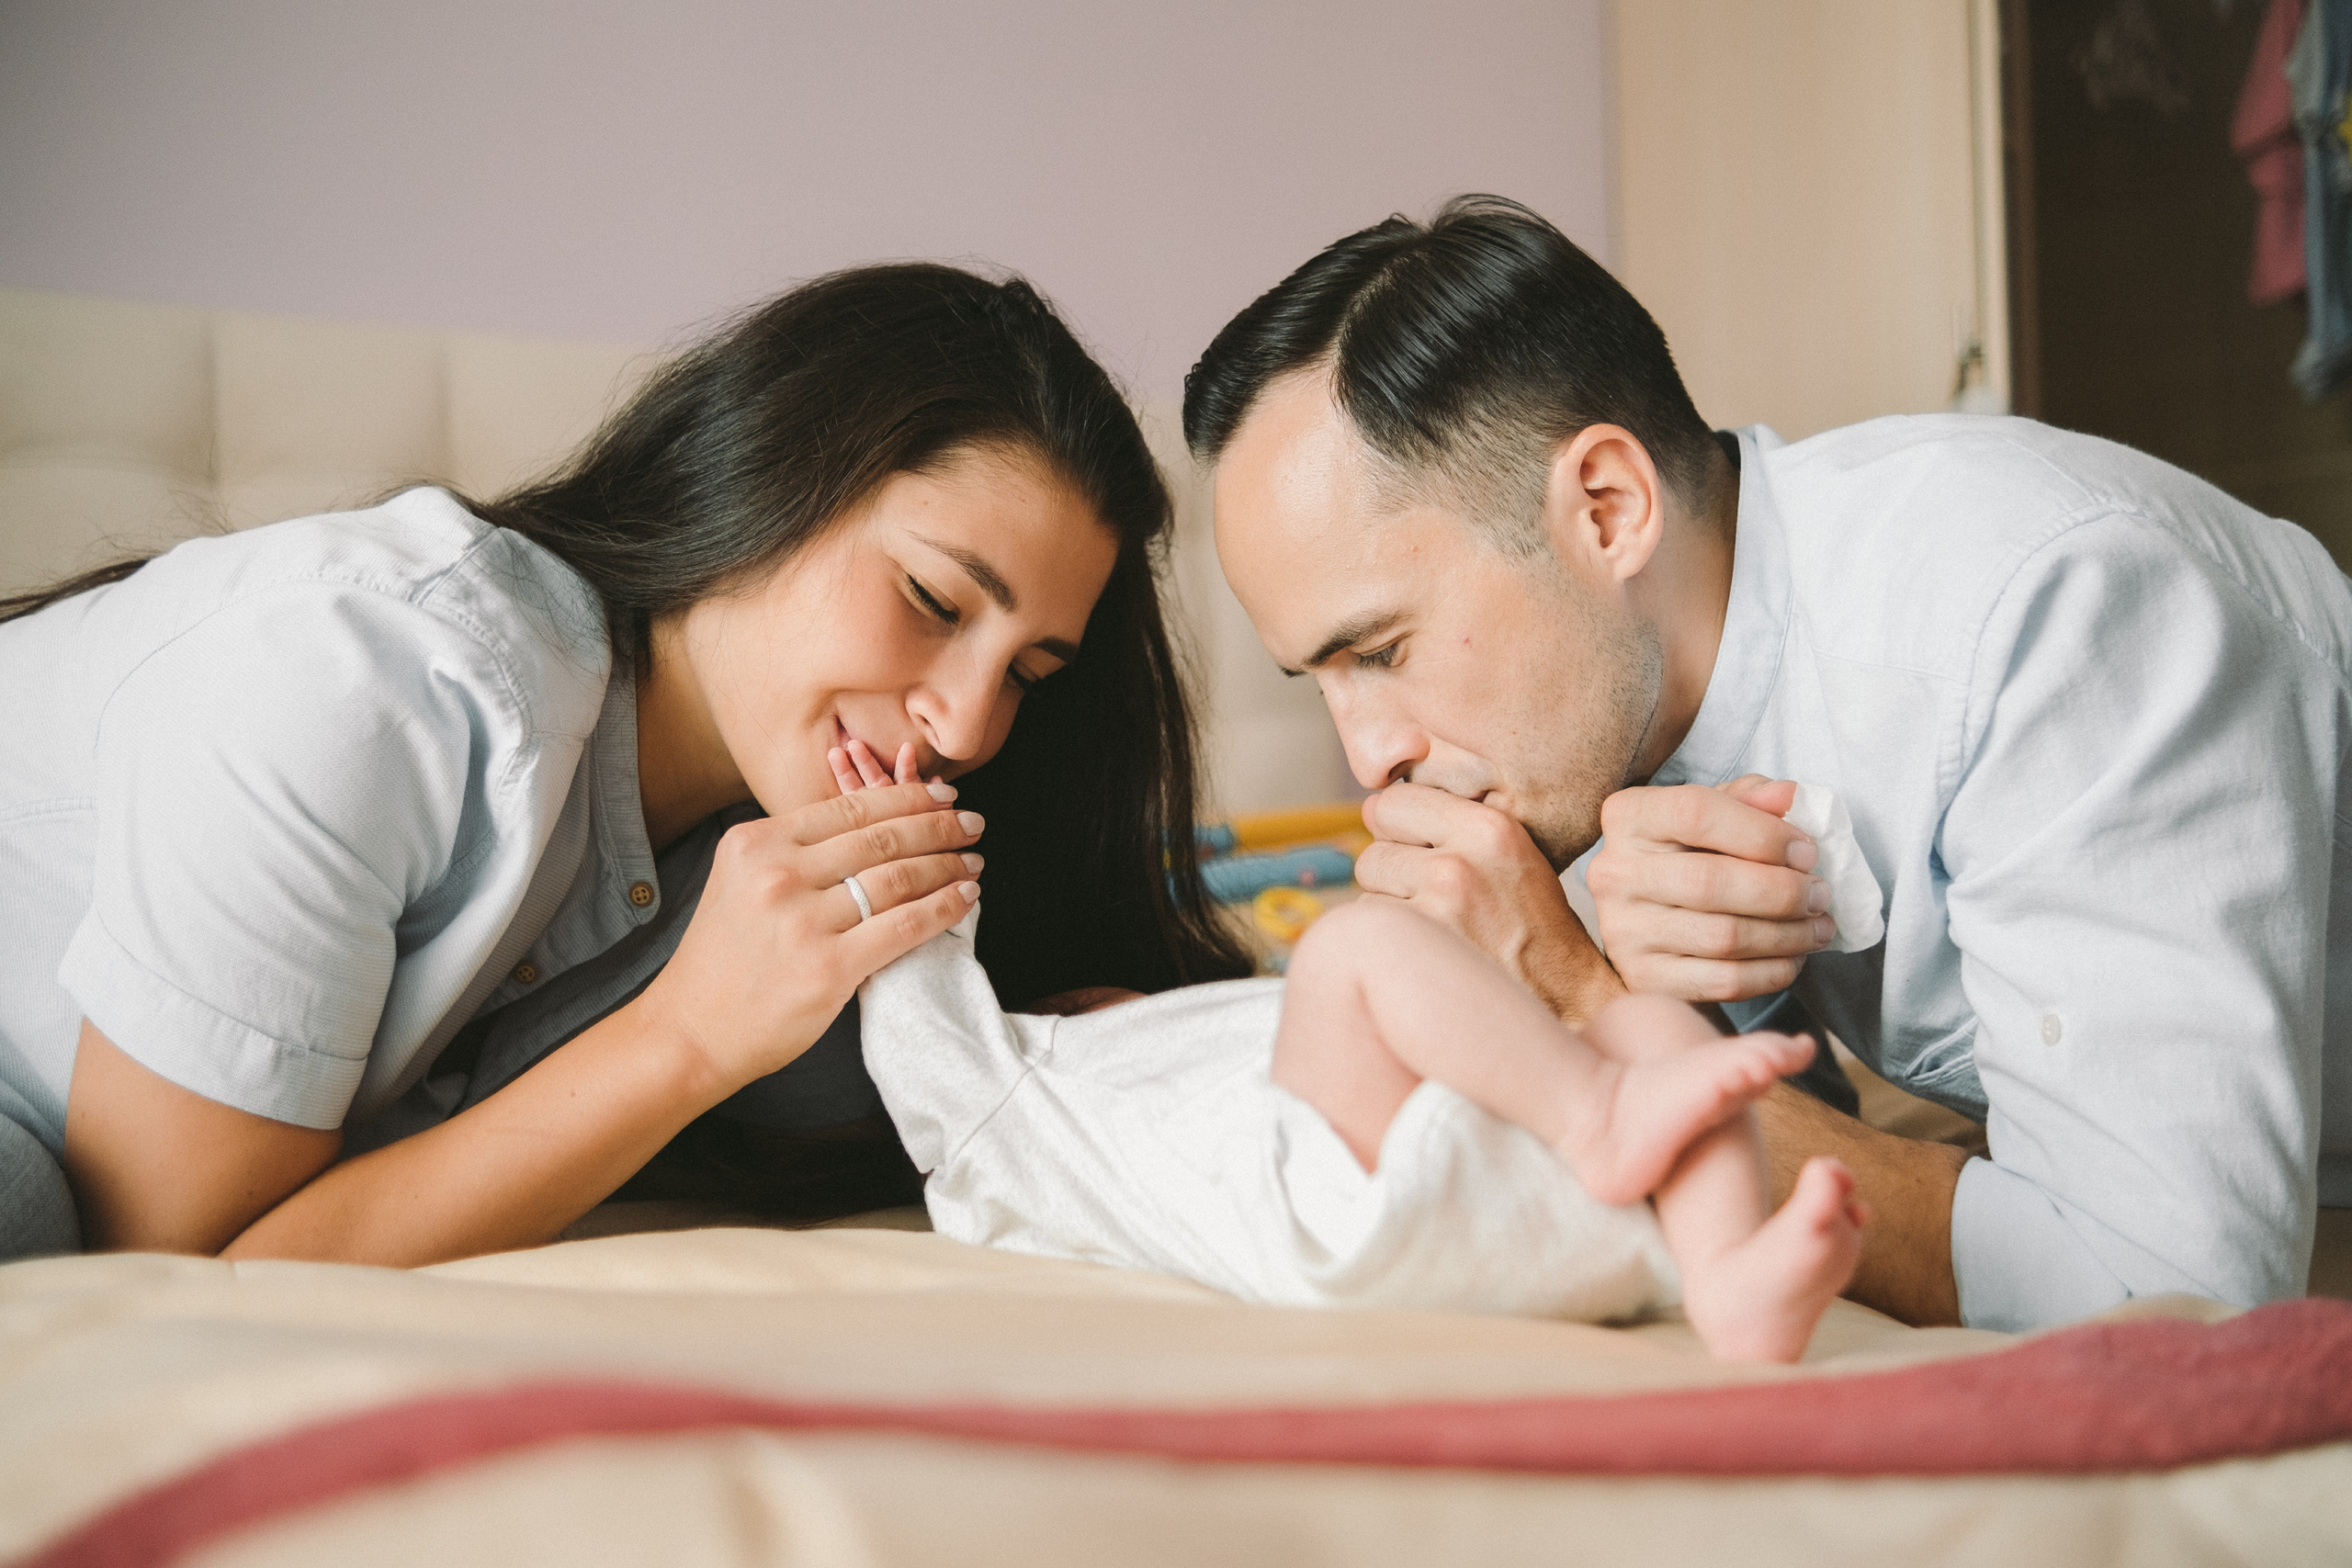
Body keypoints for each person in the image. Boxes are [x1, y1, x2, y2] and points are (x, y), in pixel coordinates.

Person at [1182, 196, 2352, 1333]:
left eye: (1382, 651)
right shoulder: (1588, 732)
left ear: (1606, 507)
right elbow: (1797, 1149)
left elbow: (2173, 1299)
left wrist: (1579, 1010)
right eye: (1319, 680)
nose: (1367, 758)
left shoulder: (2056, 612)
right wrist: (1644, 1009)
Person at [0, 263, 1250, 1267]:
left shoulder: (752, 861)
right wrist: (685, 1039)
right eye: (930, 596)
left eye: (1029, 672)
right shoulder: (362, 680)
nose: (970, 725)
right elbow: (173, 1263)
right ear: (769, 473)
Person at [858, 893, 1865, 1363]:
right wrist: (897, 852)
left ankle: (1726, 1278)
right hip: (1325, 1191)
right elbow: (916, 1024)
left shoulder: (1200, 1041)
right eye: (1107, 999)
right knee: (1349, 942)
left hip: (1536, 1210)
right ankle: (1603, 1116)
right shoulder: (1005, 1115)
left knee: (1648, 1021)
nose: (1141, 1004)